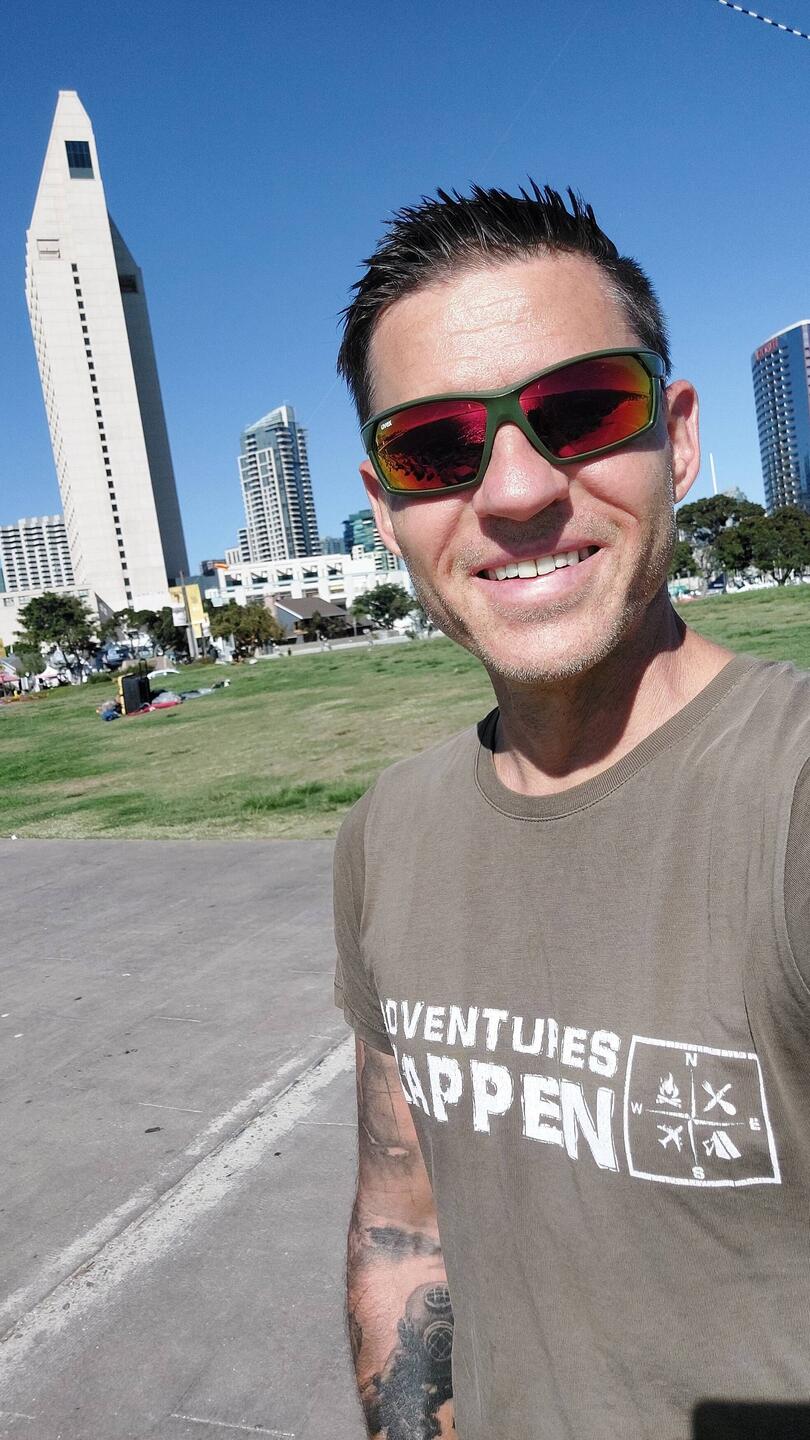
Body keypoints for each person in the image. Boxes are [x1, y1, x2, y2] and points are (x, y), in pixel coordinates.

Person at [332, 184, 810, 1440]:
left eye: (583, 410)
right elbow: (403, 1227)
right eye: (434, 448)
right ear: (385, 506)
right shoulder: (388, 833)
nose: (514, 489)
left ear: (678, 436)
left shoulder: (791, 801)